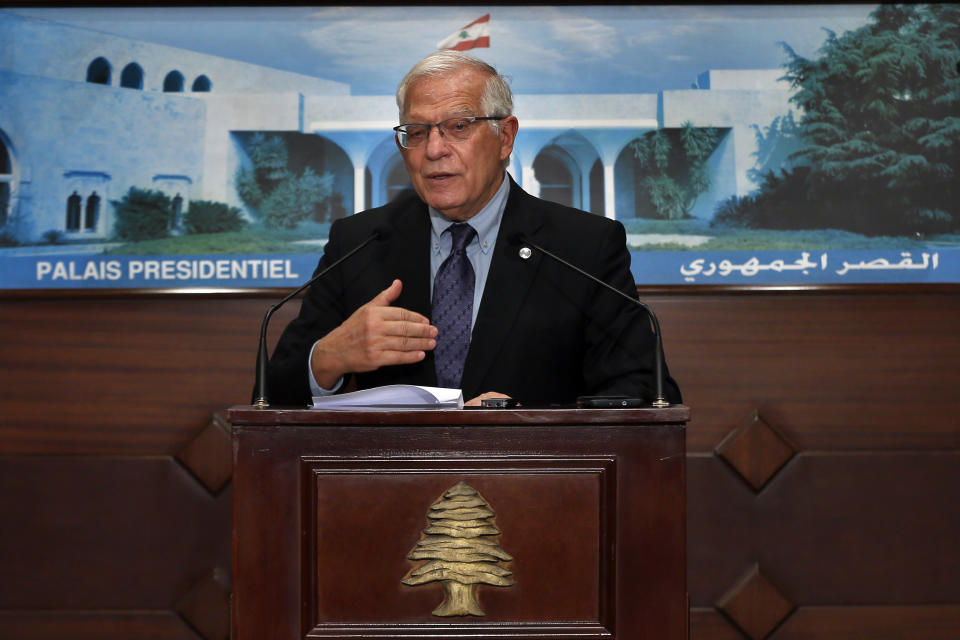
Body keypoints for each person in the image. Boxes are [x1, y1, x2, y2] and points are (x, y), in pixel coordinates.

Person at [266, 50, 681, 407]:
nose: (433, 150)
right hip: (392, 485)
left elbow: (644, 392)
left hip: (536, 485)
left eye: (459, 127)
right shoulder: (359, 243)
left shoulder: (582, 246)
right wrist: (327, 360)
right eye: (416, 131)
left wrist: (527, 420)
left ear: (505, 138)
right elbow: (268, 396)